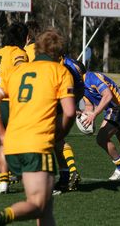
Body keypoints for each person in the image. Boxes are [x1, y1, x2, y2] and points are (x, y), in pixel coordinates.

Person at [0, 28, 76, 225]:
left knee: (46, 208)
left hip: (12, 146)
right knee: (38, 204)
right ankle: (1, 216)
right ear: (59, 51)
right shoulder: (60, 71)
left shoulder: (16, 70)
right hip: (37, 146)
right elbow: (69, 112)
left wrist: (1, 133)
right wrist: (61, 134)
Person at [0, 22, 29, 193]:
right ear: (25, 38)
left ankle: (4, 180)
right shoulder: (20, 53)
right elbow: (20, 68)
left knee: (3, 140)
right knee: (20, 141)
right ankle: (23, 175)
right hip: (7, 101)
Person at [52, 56, 87, 195]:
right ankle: (69, 173)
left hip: (57, 96)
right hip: (69, 93)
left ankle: (64, 178)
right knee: (57, 139)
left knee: (52, 138)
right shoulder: (68, 62)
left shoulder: (62, 65)